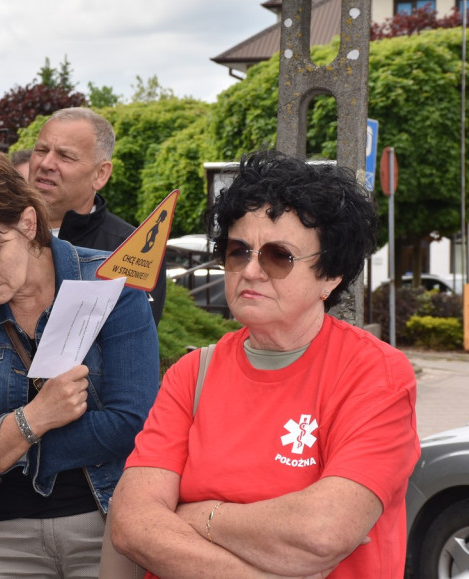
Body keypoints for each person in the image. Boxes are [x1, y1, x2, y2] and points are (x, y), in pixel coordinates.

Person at [109, 150, 420, 577]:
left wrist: (202, 517)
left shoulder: (375, 375)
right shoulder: (191, 374)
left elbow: (323, 532)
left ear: (331, 276)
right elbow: (132, 524)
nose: (251, 271)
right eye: (239, 252)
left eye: (278, 256)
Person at [0, 145, 160, 578]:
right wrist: (34, 418)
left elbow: (133, 421)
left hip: (103, 523)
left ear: (29, 223)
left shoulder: (112, 288)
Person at [29, 106, 167, 324]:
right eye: (41, 150)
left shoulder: (134, 250)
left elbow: (132, 341)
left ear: (100, 174)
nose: (45, 164)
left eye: (65, 156)